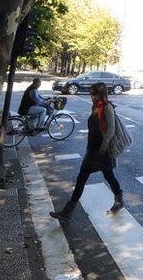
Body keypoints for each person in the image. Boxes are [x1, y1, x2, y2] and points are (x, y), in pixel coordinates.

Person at [50, 83, 124, 221]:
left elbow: (111, 130)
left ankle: (68, 212)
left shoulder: (106, 107)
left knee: (82, 178)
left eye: (94, 94)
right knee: (108, 176)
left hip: (100, 151)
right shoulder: (96, 106)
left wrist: (104, 146)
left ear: (100, 94)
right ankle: (119, 199)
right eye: (91, 93)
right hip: (93, 148)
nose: (91, 96)